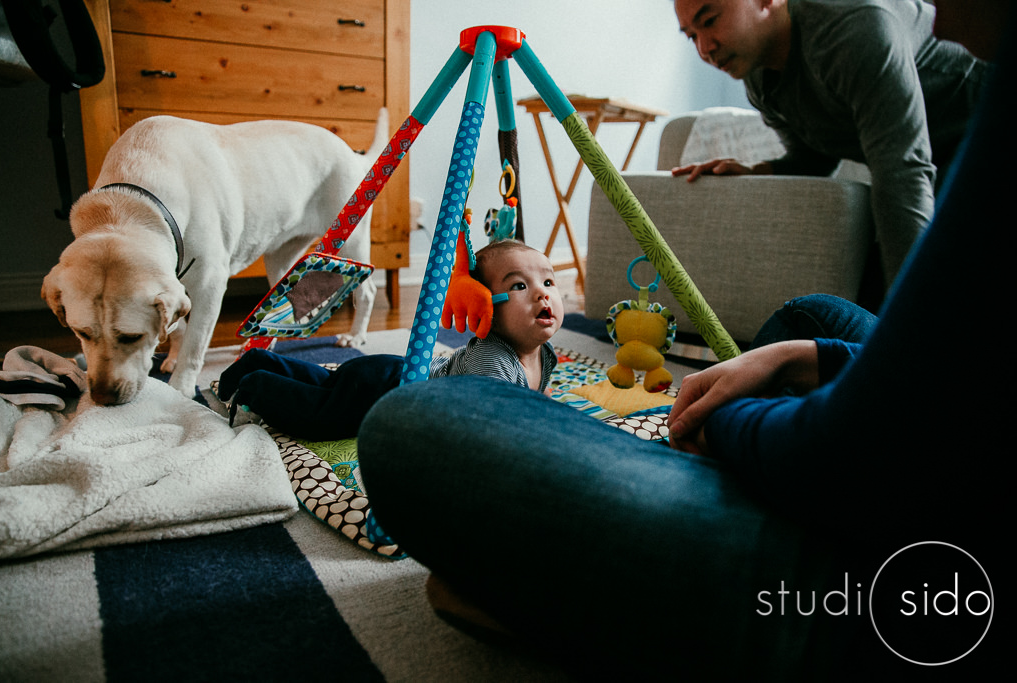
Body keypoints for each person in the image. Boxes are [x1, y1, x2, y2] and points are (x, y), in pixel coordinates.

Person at [354, 0, 1012, 678]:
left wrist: (725, 422)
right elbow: (824, 147)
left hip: (887, 557)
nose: (931, 21)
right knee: (812, 315)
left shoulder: (884, 41)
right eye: (688, 31)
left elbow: (880, 435)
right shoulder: (776, 76)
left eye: (709, 18)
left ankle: (641, 546)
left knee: (411, 422)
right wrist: (801, 354)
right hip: (900, 414)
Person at [671, 0, 987, 288]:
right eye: (691, 36)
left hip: (985, 130)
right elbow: (815, 157)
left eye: (709, 21)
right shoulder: (759, 75)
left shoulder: (853, 30)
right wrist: (757, 170)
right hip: (934, 164)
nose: (704, 49)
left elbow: (901, 175)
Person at [217, 239, 563, 440]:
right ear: (484, 307)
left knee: (328, 385)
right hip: (389, 393)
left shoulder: (543, 353)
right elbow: (489, 429)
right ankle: (255, 386)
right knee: (320, 417)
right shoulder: (493, 360)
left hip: (393, 373)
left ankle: (261, 361)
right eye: (519, 286)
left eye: (548, 283)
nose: (541, 295)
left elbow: (537, 393)